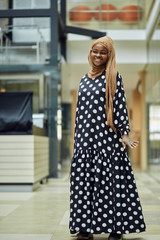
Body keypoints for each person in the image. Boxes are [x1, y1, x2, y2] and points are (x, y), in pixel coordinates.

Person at [69, 36, 146, 240]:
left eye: (103, 52)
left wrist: (125, 134)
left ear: (109, 55)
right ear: (90, 52)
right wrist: (77, 143)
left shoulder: (113, 77)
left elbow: (119, 106)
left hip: (106, 140)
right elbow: (80, 113)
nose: (98, 55)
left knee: (111, 185)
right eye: (95, 51)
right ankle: (85, 227)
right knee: (84, 185)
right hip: (86, 141)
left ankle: (116, 229)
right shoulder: (84, 79)